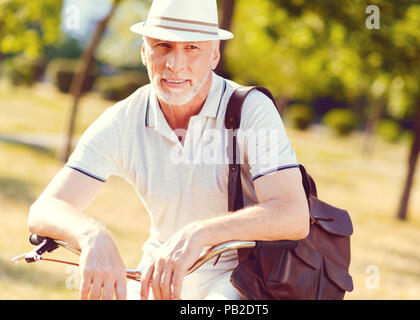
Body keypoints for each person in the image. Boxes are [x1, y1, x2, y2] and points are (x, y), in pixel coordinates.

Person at [27, 0, 310, 300]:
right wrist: (92, 235)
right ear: (143, 52)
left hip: (242, 277)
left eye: (191, 48)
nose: (175, 64)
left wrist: (199, 233)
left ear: (214, 54)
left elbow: (292, 213)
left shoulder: (251, 110)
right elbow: (44, 209)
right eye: (162, 45)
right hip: (158, 274)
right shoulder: (123, 120)